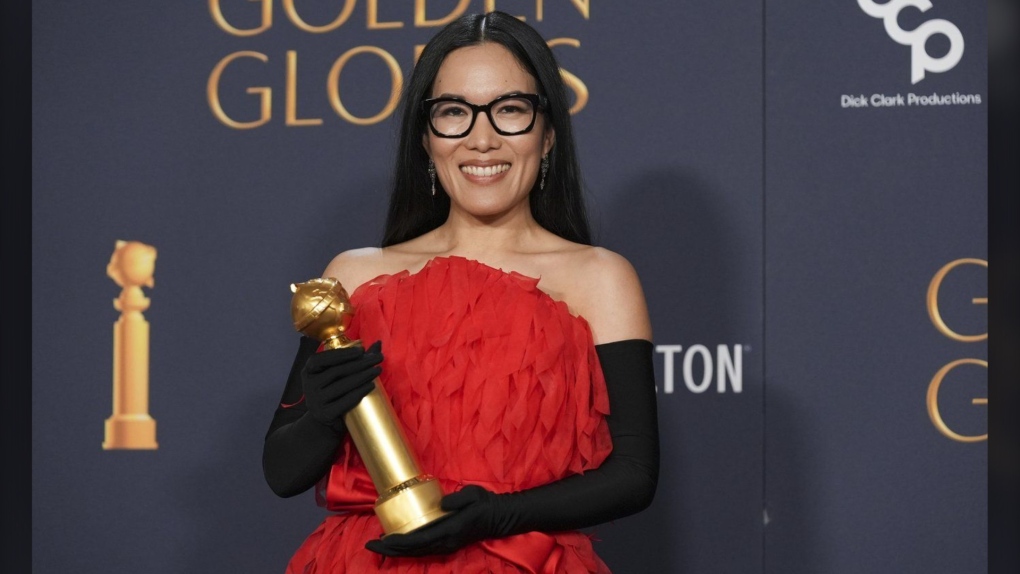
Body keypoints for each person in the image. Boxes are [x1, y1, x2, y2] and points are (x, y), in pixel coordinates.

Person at [262, 11, 659, 573]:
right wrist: (323, 418)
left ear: (547, 135)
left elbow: (634, 475)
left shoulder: (599, 278)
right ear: (425, 138)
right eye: (454, 112)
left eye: (510, 110)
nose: (481, 137)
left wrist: (498, 516)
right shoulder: (353, 277)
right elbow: (282, 472)